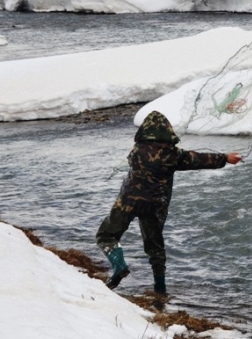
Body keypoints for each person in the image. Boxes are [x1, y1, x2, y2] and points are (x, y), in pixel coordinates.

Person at [96, 110, 242, 295]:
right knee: (155, 249)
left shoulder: (136, 151)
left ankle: (119, 265)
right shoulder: (174, 155)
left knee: (106, 235)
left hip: (128, 201)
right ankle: (160, 289)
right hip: (156, 206)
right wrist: (225, 158)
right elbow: (199, 159)